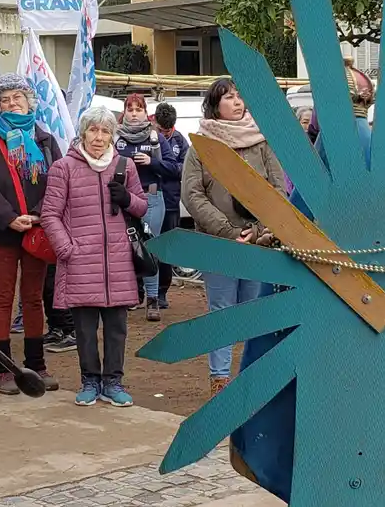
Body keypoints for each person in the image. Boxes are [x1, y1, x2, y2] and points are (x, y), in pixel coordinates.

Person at [183, 78, 284, 396]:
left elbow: (278, 190)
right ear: (215, 104)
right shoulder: (201, 145)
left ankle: (252, 376)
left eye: (240, 96)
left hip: (259, 243)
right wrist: (227, 231)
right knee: (223, 311)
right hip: (219, 244)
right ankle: (220, 379)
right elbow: (192, 194)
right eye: (229, 97)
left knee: (254, 312)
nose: (237, 102)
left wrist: (259, 231)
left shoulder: (262, 143)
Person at [41, 105, 148, 408]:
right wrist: (66, 249)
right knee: (85, 329)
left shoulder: (124, 166)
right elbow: (50, 215)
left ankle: (113, 381)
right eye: (93, 130)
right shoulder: (64, 167)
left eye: (105, 131)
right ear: (83, 132)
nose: (99, 137)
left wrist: (127, 199)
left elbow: (141, 206)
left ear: (112, 135)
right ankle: (90, 380)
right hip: (79, 260)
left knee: (117, 328)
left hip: (118, 260)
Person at [0, 73, 63, 395]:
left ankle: (37, 365)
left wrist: (37, 215)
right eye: (5, 99)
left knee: (34, 298)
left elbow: (57, 183)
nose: (12, 103)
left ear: (29, 102)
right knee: (3, 298)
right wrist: (9, 217)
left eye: (18, 98)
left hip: (36, 230)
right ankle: (3, 369)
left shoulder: (45, 140)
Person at [114, 93, 165, 320]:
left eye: (139, 109)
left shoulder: (156, 137)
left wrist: (152, 162)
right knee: (124, 250)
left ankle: (153, 300)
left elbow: (176, 169)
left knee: (149, 247)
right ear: (124, 112)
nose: (134, 114)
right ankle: (128, 296)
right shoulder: (114, 138)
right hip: (121, 200)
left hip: (152, 198)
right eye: (130, 109)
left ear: (146, 113)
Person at [151, 102, 189, 306]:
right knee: (145, 246)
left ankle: (162, 292)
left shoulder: (180, 140)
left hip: (171, 201)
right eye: (161, 130)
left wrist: (160, 166)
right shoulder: (145, 136)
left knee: (166, 249)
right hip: (147, 200)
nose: (165, 134)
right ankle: (144, 291)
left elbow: (184, 169)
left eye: (168, 131)